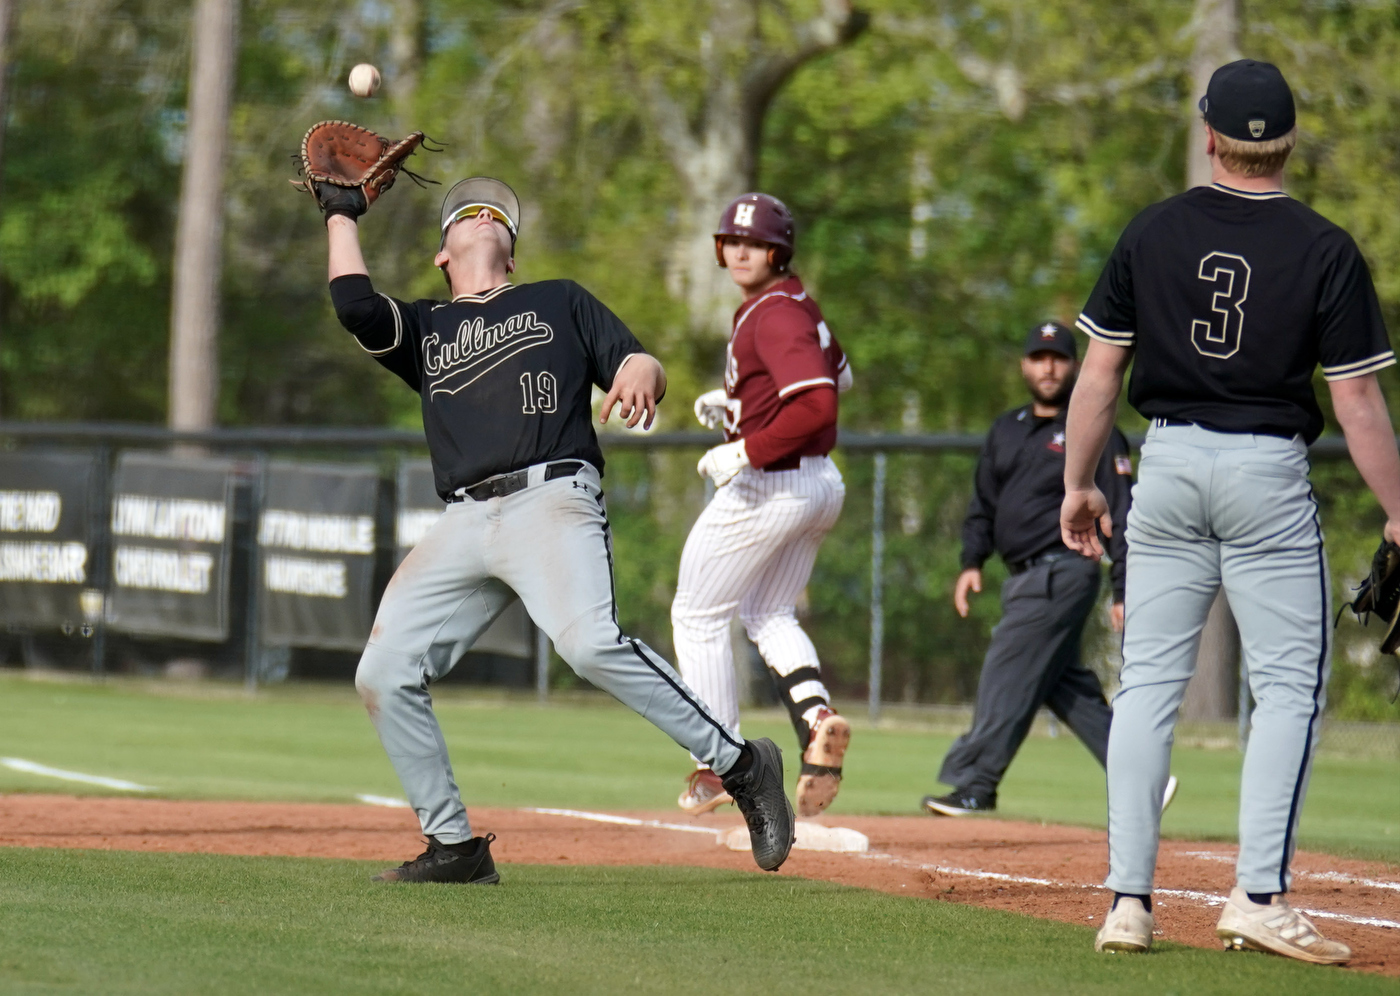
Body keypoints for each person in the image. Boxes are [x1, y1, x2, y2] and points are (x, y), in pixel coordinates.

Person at [316, 174, 796, 880]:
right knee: (382, 672)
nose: (482, 218)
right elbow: (354, 305)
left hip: (552, 500)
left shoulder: (557, 299)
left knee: (590, 645)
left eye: (496, 215)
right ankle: (453, 847)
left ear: (510, 253)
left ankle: (743, 766)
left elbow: (637, 358)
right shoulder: (424, 327)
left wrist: (641, 373)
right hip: (465, 519)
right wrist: (339, 211)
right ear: (441, 254)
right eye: (466, 213)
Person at [1062, 60, 1395, 964]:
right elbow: (1359, 403)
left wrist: (1078, 485)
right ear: (1287, 141)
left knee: (1147, 690)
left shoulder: (1153, 230)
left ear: (1211, 134)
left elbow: (1099, 374)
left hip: (1165, 461)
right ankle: (1257, 895)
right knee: (1287, 689)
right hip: (1264, 473)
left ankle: (1128, 901)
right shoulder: (1325, 247)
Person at [924, 321, 1158, 817]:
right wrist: (971, 562)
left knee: (1005, 674)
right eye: (1038, 356)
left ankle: (976, 783)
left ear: (1075, 366)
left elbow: (1121, 513)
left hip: (1063, 571)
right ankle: (1145, 777)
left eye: (1058, 357)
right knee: (1063, 686)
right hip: (1022, 576)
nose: (1048, 366)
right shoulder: (1006, 428)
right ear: (1024, 365)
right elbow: (983, 504)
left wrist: (1122, 588)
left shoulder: (1094, 429)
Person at [671, 193, 853, 818]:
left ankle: (719, 762)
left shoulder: (771, 314)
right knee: (769, 611)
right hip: (818, 483)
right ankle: (817, 720)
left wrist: (746, 446)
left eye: (757, 242)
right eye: (733, 240)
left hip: (772, 483)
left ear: (779, 251)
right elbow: (841, 375)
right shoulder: (795, 302)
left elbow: (820, 404)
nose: (743, 250)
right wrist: (742, 406)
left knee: (696, 613)